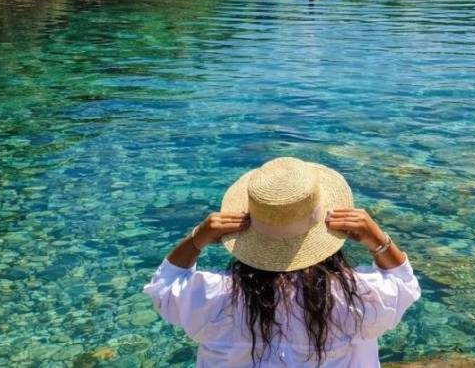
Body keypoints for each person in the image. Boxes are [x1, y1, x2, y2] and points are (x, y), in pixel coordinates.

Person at [143, 157, 419, 367]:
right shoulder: (358, 297)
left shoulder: (213, 297)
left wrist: (196, 239)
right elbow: (404, 285)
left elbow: (163, 287)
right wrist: (378, 240)